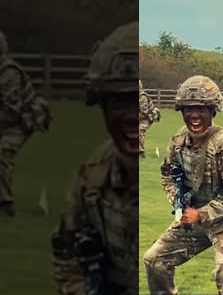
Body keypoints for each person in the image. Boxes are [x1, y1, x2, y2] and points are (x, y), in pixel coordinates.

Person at [51, 22, 140, 294]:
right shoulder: (94, 176)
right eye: (118, 103)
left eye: (139, 101)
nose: (133, 117)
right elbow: (69, 255)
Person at [144, 75, 223, 295]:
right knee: (154, 260)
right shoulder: (178, 142)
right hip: (191, 218)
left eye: (201, 109)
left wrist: (201, 214)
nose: (194, 115)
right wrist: (179, 202)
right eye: (188, 109)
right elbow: (169, 174)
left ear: (213, 110)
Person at [0, 31, 52, 216]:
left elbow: (11, 109)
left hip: (23, 120)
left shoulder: (8, 73)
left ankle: (5, 204)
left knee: (2, 153)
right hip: (9, 119)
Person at [139, 80, 160, 157]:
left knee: (139, 131)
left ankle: (141, 152)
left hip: (147, 117)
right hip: (141, 116)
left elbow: (144, 113)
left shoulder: (142, 97)